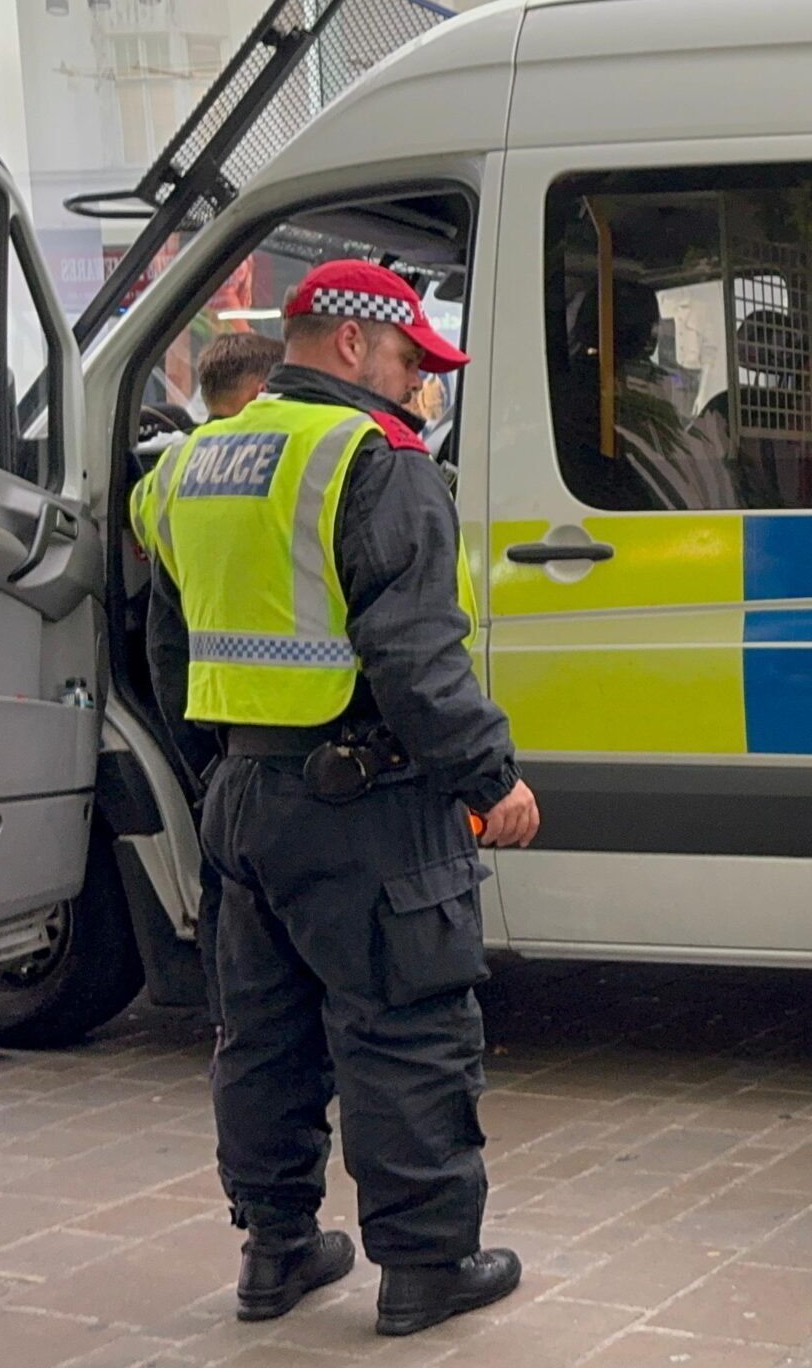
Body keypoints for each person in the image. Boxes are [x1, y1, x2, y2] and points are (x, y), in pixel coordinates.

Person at [130, 261, 540, 1337]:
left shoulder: (191, 463)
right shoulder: (373, 458)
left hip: (245, 795)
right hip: (367, 798)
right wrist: (489, 776)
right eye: (413, 361)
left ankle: (275, 1253)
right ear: (353, 345)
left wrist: (226, 762)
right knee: (405, 1026)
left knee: (262, 1032)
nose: (418, 388)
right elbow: (415, 657)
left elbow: (168, 647)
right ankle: (426, 1266)